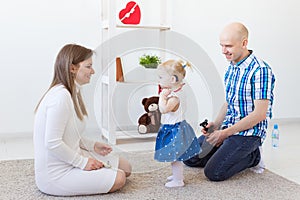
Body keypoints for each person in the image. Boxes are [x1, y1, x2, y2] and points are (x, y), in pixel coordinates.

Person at [33, 44, 132, 196]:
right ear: (72, 68)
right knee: (119, 178)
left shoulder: (71, 92)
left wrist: (93, 146)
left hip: (69, 158)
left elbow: (68, 134)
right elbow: (52, 143)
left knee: (126, 168)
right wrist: (83, 162)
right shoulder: (60, 97)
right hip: (56, 175)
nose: (93, 71)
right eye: (88, 66)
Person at [183, 22, 275, 181]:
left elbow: (260, 114)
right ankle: (226, 150)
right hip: (228, 128)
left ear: (244, 43)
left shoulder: (261, 70)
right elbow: (229, 102)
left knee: (214, 173)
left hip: (249, 134)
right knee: (189, 158)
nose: (223, 51)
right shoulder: (232, 66)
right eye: (222, 45)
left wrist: (224, 134)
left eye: (228, 46)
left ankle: (254, 157)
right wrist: (216, 126)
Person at [154, 60, 201, 188]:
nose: (158, 80)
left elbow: (163, 109)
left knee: (175, 157)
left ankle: (178, 180)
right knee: (175, 156)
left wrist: (162, 97)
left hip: (174, 130)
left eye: (161, 77)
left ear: (173, 79)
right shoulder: (179, 91)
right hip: (177, 127)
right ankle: (177, 175)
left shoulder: (174, 98)